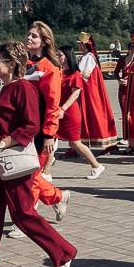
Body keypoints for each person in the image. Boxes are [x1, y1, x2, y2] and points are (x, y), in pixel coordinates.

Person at [0, 39, 78, 267]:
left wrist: (2, 143)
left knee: (23, 213)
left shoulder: (23, 88)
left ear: (11, 63)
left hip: (12, 160)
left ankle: (64, 253)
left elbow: (31, 125)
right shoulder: (5, 88)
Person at [24, 22, 69, 222]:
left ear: (44, 42)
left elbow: (53, 103)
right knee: (25, 173)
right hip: (21, 127)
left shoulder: (49, 68)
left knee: (31, 174)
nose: (29, 38)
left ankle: (28, 217)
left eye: (34, 36)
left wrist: (50, 134)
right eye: (29, 34)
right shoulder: (22, 64)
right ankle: (58, 197)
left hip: (40, 130)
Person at [56, 44, 106, 180]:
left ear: (67, 57)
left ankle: (96, 166)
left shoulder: (74, 74)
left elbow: (75, 94)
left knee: (75, 143)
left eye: (60, 55)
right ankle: (46, 171)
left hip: (69, 112)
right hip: (58, 110)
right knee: (50, 139)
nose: (57, 57)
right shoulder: (59, 71)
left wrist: (63, 108)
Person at [76, 33, 118, 152]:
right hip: (90, 91)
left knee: (95, 115)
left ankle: (76, 145)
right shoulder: (88, 56)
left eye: (79, 43)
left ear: (83, 45)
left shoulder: (88, 57)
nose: (78, 46)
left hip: (89, 92)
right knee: (95, 115)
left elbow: (83, 76)